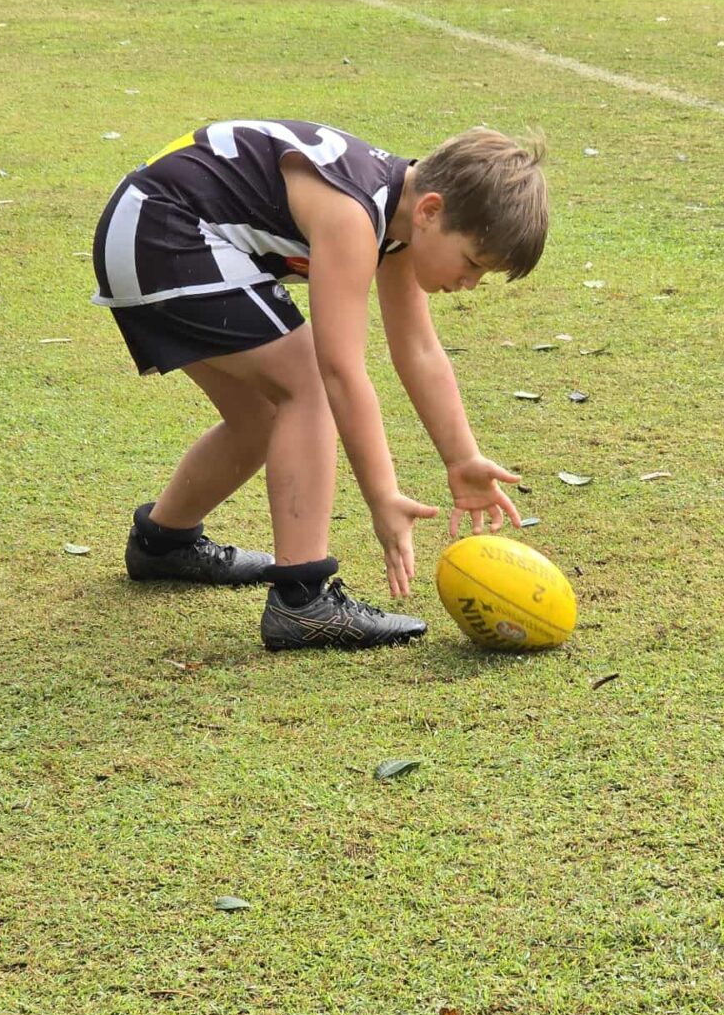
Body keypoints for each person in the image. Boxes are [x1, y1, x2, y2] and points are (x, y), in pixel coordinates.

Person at [92, 119, 547, 651]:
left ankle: (164, 542)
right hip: (161, 231)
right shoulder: (353, 215)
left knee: (264, 416)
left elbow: (418, 350)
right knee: (306, 385)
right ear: (431, 210)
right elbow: (340, 373)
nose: (470, 283)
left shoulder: (398, 217)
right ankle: (302, 599)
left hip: (145, 228)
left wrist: (461, 458)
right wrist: (383, 497)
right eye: (472, 262)